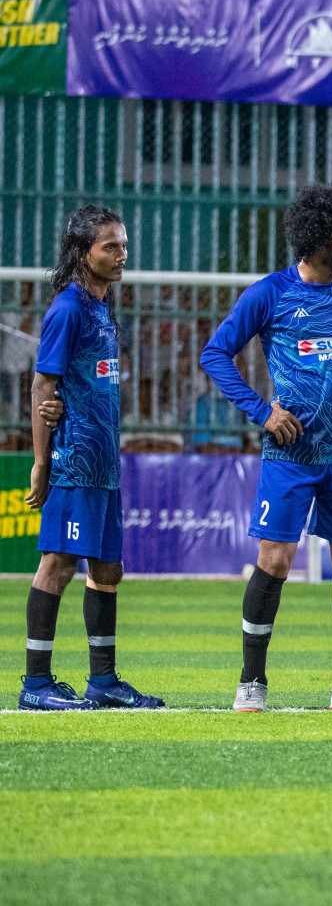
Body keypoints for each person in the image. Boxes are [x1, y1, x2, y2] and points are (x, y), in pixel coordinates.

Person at [201, 184, 332, 712]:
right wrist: (262, 410)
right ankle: (251, 682)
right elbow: (215, 353)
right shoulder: (270, 293)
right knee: (276, 561)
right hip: (292, 456)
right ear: (319, 236)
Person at [19, 205, 163, 711]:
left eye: (123, 245)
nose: (122, 255)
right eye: (110, 246)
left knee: (107, 569)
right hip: (76, 461)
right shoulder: (69, 309)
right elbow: (42, 383)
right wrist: (41, 463)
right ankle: (35, 684)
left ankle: (103, 681)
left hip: (104, 464)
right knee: (57, 563)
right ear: (83, 253)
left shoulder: (101, 307)